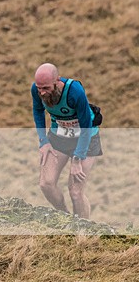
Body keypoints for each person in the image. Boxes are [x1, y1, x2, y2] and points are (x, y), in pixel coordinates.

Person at [32, 63, 102, 219]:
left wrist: (77, 158)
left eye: (46, 88)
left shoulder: (75, 91)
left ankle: (83, 230)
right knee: (46, 184)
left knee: (76, 192)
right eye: (39, 88)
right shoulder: (36, 90)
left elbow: (86, 126)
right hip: (59, 137)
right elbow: (37, 111)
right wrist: (43, 142)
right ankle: (65, 218)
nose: (42, 93)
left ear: (57, 81)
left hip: (87, 138)